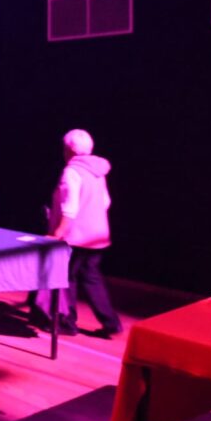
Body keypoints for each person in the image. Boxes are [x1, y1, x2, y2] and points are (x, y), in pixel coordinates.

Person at [47, 129, 122, 338]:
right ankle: (111, 323)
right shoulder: (97, 170)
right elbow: (106, 201)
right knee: (91, 278)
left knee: (67, 278)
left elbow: (70, 207)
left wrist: (58, 232)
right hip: (98, 234)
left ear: (69, 150)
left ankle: (67, 322)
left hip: (77, 236)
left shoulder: (72, 172)